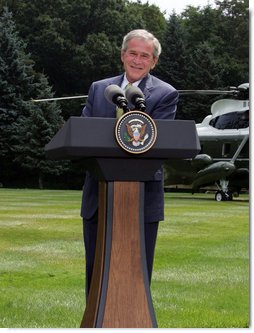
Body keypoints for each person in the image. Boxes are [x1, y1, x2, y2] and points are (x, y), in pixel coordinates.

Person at [81, 29, 179, 298]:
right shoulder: (99, 89)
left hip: (143, 198)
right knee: (96, 274)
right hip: (98, 196)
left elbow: (156, 144)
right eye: (133, 53)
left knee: (137, 277)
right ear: (123, 55)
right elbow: (83, 136)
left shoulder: (165, 94)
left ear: (153, 62)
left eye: (144, 56)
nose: (138, 60)